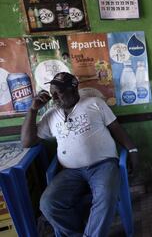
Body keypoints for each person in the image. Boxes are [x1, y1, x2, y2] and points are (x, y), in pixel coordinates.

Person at [21, 72, 139, 237]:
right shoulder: (51, 115)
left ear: (74, 88)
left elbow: (117, 130)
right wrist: (33, 110)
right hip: (70, 172)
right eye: (52, 92)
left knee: (105, 198)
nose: (54, 97)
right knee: (48, 204)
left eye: (59, 92)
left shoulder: (95, 103)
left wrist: (132, 150)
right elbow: (27, 142)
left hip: (103, 165)